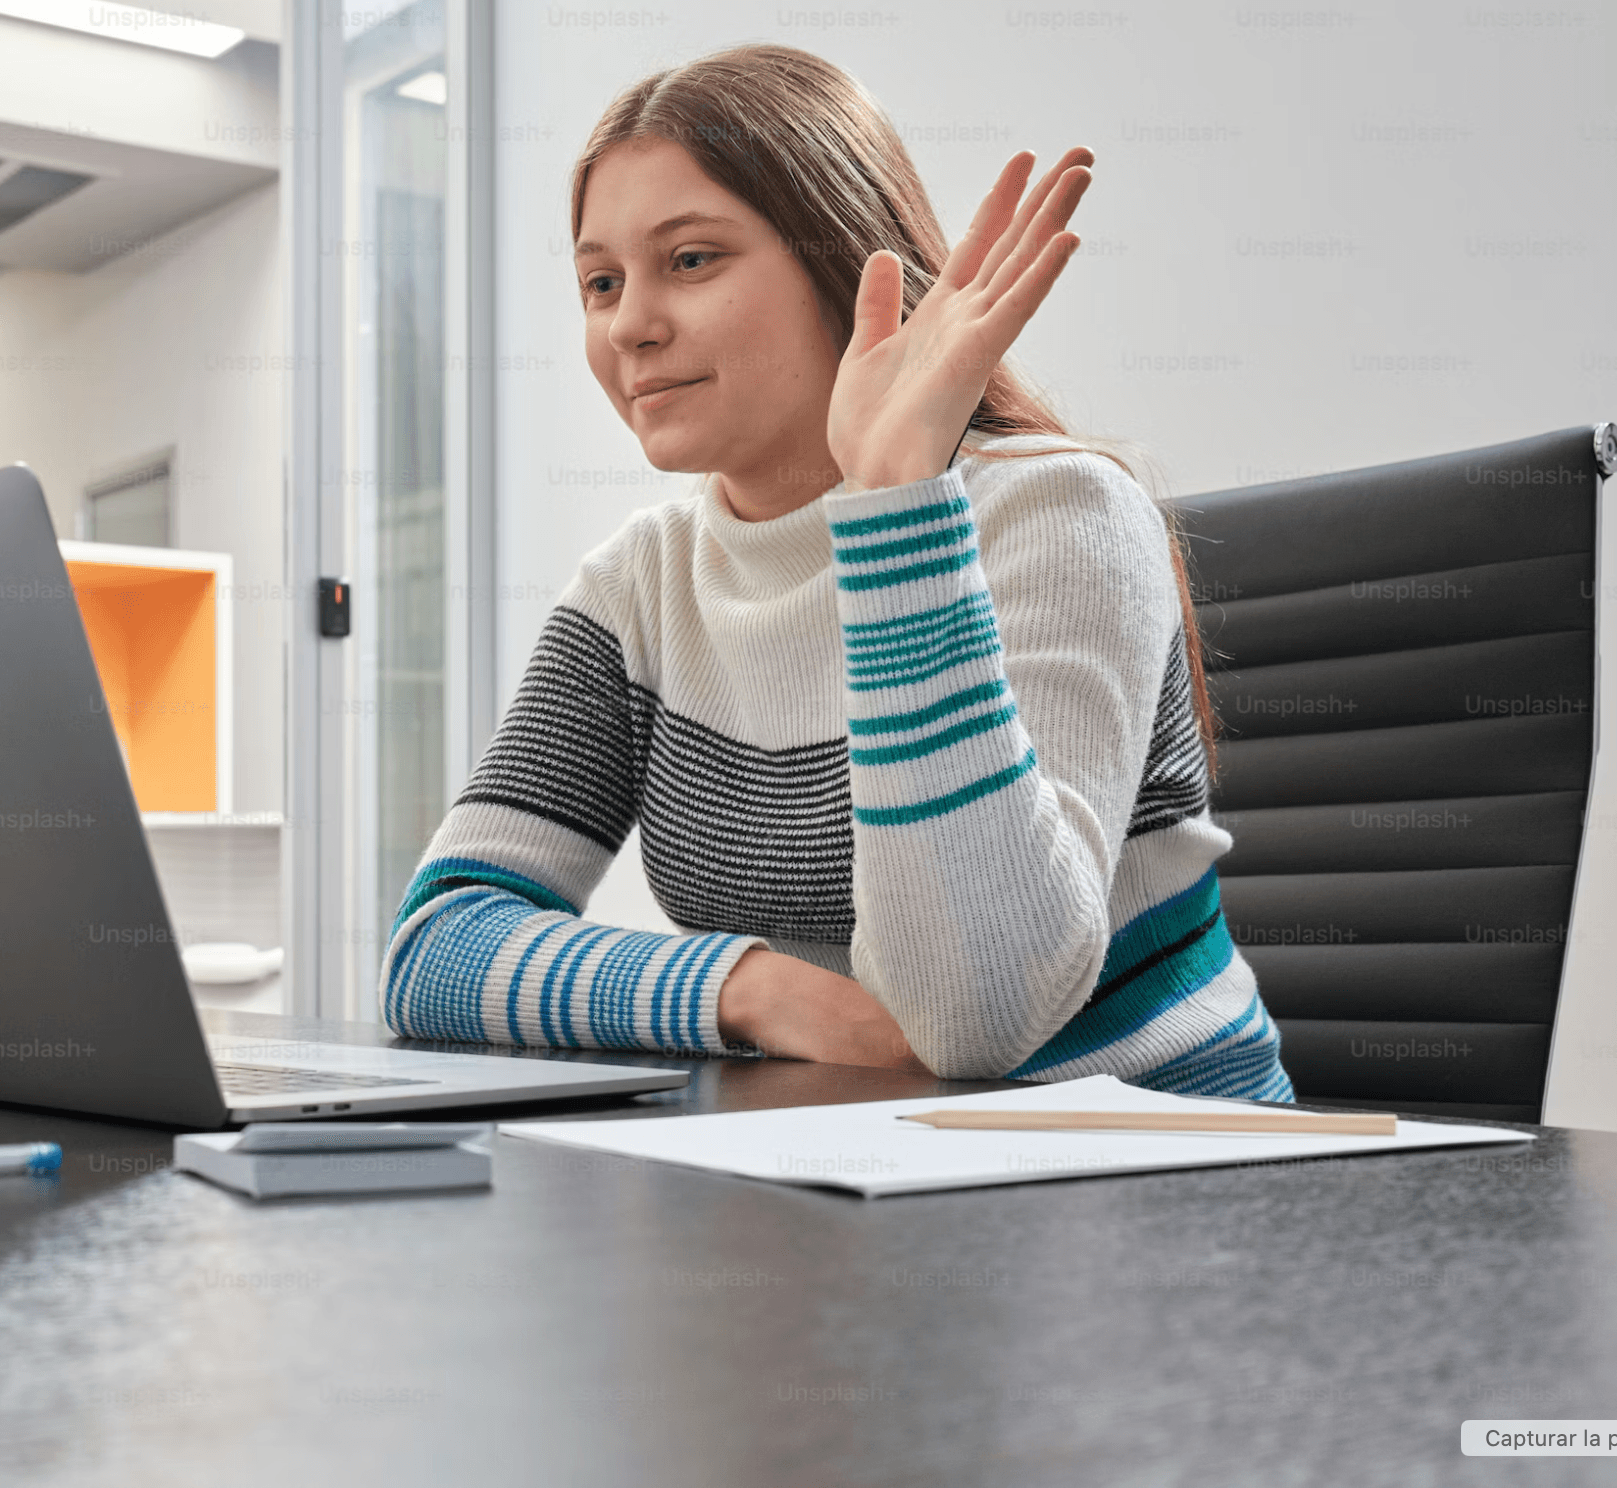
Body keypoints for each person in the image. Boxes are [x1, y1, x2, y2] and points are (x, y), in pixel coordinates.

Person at [379, 43, 1293, 1100]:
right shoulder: (640, 585)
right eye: (600, 282)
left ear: (848, 264)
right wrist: (753, 990)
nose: (629, 325)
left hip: (1157, 1154)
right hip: (857, 1148)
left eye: (691, 260)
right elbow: (438, 945)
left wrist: (896, 506)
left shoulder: (1060, 513)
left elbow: (977, 1018)